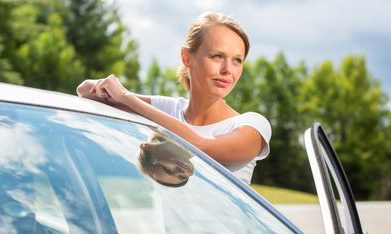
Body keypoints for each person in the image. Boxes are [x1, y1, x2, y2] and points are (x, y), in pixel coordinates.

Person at [77, 12, 271, 184]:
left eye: (237, 60)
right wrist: (121, 95)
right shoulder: (168, 110)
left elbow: (201, 146)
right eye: (217, 56)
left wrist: (127, 97)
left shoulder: (253, 126)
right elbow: (85, 90)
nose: (228, 70)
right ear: (187, 57)